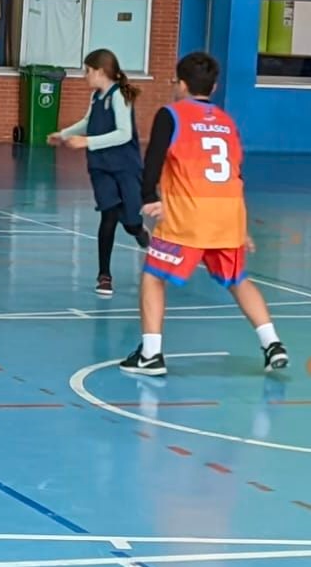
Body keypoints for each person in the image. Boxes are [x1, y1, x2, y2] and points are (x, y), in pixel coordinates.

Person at [120, 51, 289, 376]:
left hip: (188, 216)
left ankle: (151, 355)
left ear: (181, 84)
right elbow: (236, 174)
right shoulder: (227, 121)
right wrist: (242, 225)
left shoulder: (171, 114)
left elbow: (152, 160)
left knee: (154, 277)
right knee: (238, 280)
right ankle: (272, 344)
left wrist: (147, 197)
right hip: (228, 215)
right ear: (213, 89)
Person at [49, 49, 150, 297]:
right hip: (101, 167)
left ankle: (140, 231)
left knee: (130, 222)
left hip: (125, 167)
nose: (85, 76)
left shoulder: (120, 97)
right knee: (109, 215)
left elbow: (124, 134)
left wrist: (87, 142)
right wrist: (64, 134)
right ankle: (104, 276)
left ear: (101, 71)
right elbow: (87, 121)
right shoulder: (96, 97)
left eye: (87, 71)